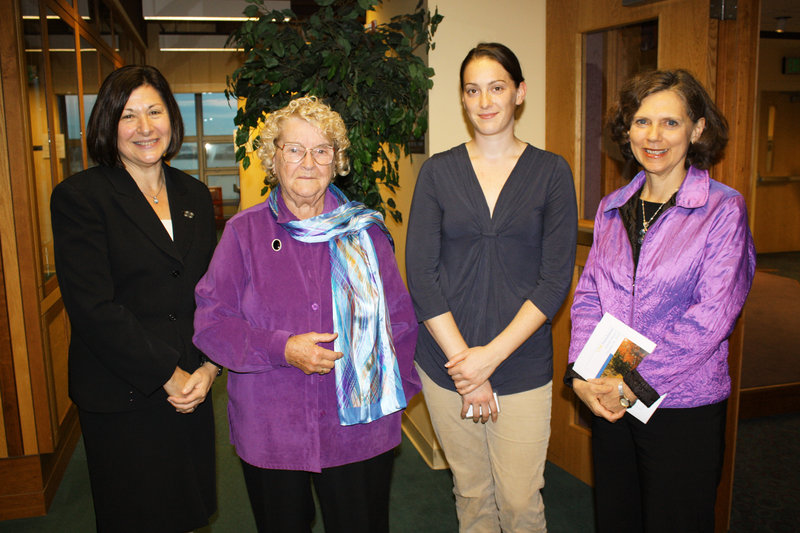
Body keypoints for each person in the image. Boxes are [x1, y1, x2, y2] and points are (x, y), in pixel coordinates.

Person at [192, 95, 419, 533]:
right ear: (273, 159)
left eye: (322, 150)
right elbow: (212, 325)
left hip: (359, 431)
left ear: (337, 161)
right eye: (294, 149)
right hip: (273, 431)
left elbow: (402, 322)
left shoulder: (366, 233)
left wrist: (397, 394)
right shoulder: (244, 233)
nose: (308, 162)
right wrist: (282, 348)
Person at [566, 69, 756, 533]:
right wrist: (586, 378)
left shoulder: (722, 209)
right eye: (642, 121)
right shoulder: (613, 207)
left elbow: (709, 319)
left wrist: (632, 383)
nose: (654, 136)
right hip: (611, 400)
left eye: (671, 123)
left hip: (682, 407)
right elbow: (590, 297)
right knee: (617, 517)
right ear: (626, 129)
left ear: (697, 129)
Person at [405, 43, 578, 532]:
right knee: (472, 494)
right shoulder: (439, 172)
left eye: (497, 87)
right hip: (446, 365)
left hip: (521, 365)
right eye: (473, 90)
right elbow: (421, 274)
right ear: (462, 99)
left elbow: (553, 281)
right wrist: (468, 366)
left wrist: (490, 359)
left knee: (522, 501)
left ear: (519, 94)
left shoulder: (551, 173)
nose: (485, 101)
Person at [50, 65, 219, 532]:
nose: (145, 128)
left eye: (155, 111)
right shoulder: (80, 197)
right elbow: (92, 308)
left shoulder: (196, 195)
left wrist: (208, 367)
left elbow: (211, 292)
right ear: (107, 124)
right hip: (124, 392)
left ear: (171, 118)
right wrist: (167, 374)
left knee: (187, 512)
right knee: (136, 517)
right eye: (128, 115)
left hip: (191, 388)